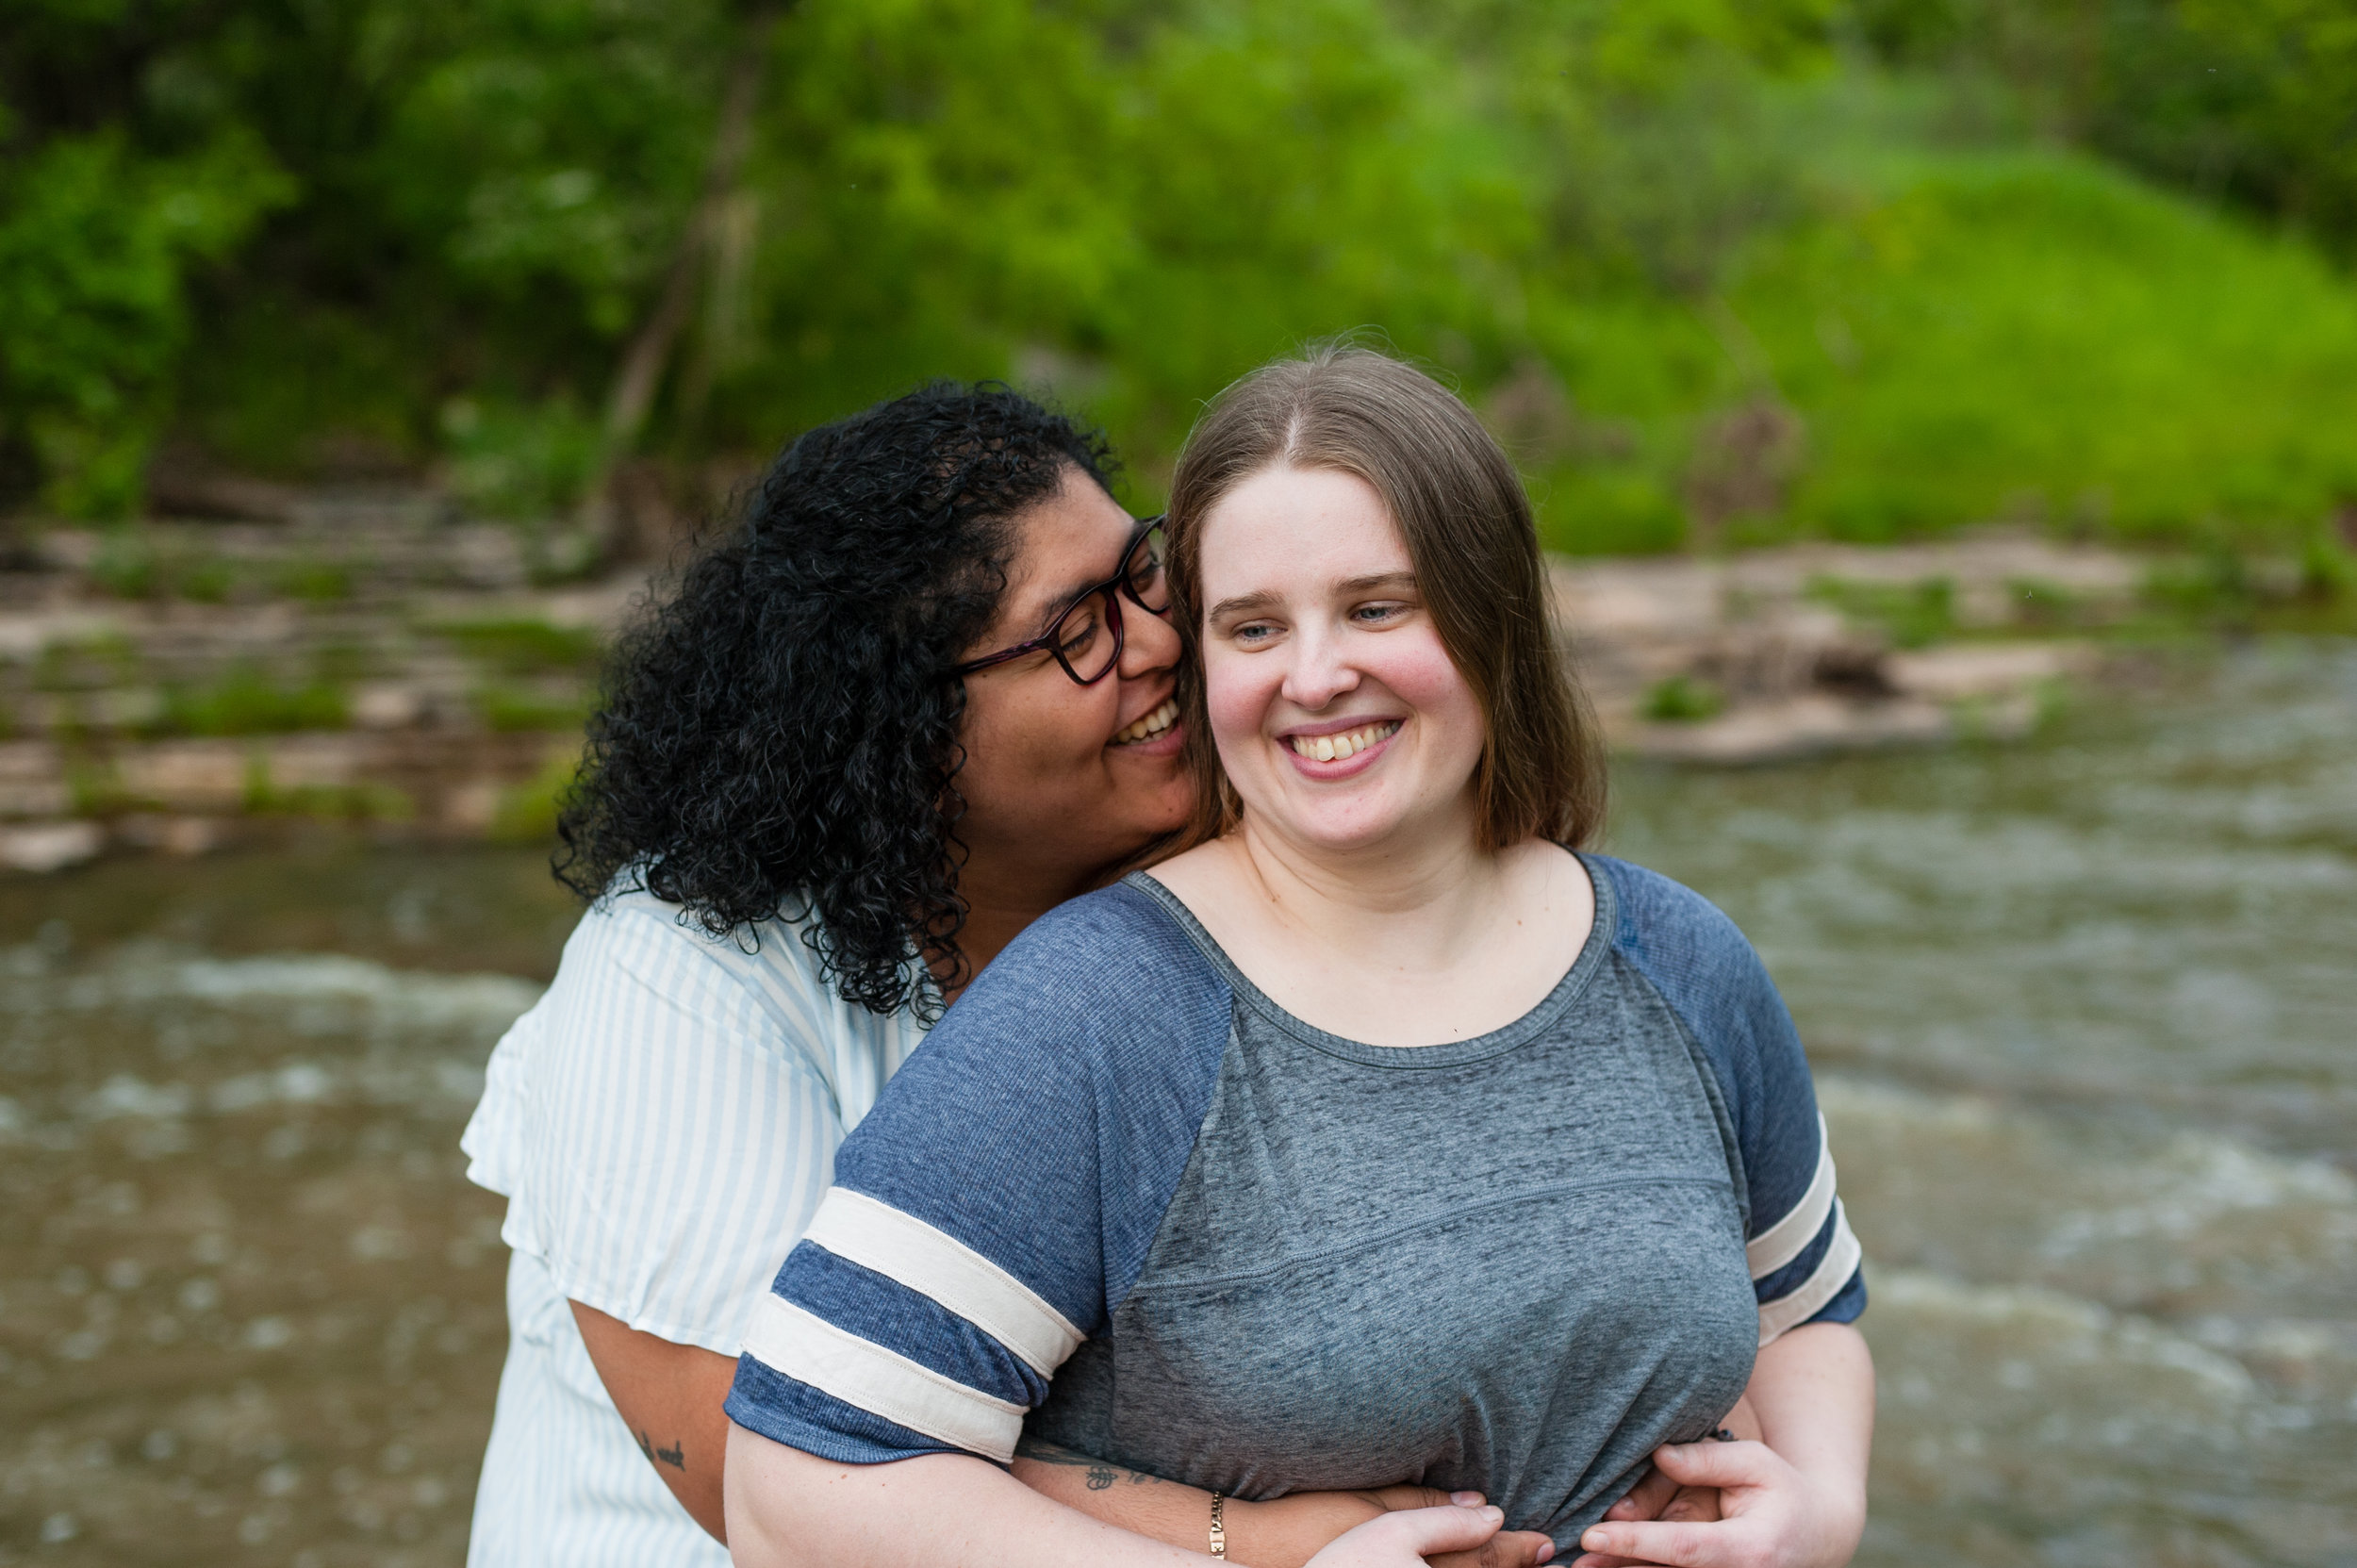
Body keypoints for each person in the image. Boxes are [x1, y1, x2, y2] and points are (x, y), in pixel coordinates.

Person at [719, 346, 1876, 1568]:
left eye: (1378, 605)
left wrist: (1820, 1505)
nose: (1316, 677)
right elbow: (795, 1487)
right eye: (1254, 625)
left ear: (1493, 613)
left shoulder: (1679, 957)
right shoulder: (1100, 1016)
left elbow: (1807, 1313)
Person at [458, 382, 1559, 1567]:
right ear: (902, 729)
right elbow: (760, 1461)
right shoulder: (680, 973)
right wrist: (1255, 1540)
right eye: (1077, 632)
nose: (1159, 642)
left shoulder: (1221, 893)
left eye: (1141, 576)